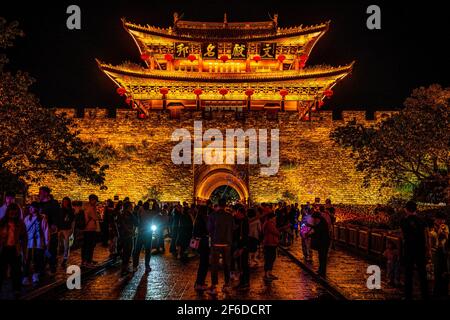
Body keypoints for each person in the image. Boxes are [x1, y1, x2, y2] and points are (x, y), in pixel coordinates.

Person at [400, 201, 430, 300]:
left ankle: (408, 295)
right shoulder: (422, 220)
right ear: (416, 209)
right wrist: (428, 249)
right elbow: (427, 235)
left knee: (408, 273)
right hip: (420, 249)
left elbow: (403, 235)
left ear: (406, 209)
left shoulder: (404, 220)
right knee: (422, 272)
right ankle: (425, 294)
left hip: (409, 249)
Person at [207, 198, 234, 296]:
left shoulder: (212, 215)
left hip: (216, 243)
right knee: (227, 264)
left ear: (218, 205)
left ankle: (214, 286)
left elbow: (209, 229)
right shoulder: (230, 216)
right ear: (225, 205)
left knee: (214, 265)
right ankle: (226, 284)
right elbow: (232, 228)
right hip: (227, 244)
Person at [0, 204, 27, 296]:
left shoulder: (20, 224)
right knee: (2, 270)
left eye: (15, 213)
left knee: (16, 270)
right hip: (4, 249)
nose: (13, 214)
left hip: (15, 249)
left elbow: (24, 238)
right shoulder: (2, 222)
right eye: (11, 212)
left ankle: (16, 289)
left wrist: (24, 252)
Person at [23, 202, 49, 285]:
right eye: (30, 207)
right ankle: (26, 276)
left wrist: (46, 242)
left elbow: (46, 231)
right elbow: (24, 230)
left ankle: (35, 276)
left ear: (36, 209)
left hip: (38, 243)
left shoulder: (42, 219)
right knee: (27, 260)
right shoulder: (27, 218)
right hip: (29, 243)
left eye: (32, 207)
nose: (30, 209)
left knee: (38, 260)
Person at [38, 186, 60, 274]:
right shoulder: (39, 204)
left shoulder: (54, 203)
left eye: (41, 192)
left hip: (51, 229)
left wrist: (54, 224)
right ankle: (42, 266)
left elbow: (58, 215)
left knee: (52, 248)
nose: (39, 194)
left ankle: (52, 265)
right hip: (41, 230)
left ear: (46, 193)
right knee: (41, 248)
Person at [132, 201, 154, 272]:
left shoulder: (141, 211)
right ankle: (147, 266)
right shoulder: (150, 212)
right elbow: (157, 210)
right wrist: (154, 201)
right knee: (147, 251)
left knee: (137, 250)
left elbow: (137, 218)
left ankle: (135, 266)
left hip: (141, 233)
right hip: (148, 233)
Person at [431, 212, 449, 297]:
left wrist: (445, 234)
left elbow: (447, 238)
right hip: (437, 252)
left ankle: (444, 291)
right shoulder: (432, 230)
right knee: (437, 272)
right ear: (435, 220)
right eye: (438, 219)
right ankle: (437, 291)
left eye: (442, 220)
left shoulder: (446, 228)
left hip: (445, 252)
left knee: (445, 272)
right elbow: (433, 242)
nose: (441, 221)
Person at [193, 205, 210, 291]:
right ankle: (199, 283)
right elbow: (207, 230)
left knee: (203, 263)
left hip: (200, 243)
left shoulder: (197, 219)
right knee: (204, 264)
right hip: (203, 243)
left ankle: (200, 282)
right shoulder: (203, 219)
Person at [308, 212, 331, 277]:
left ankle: (322, 272)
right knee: (320, 257)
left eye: (314, 219)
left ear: (317, 218)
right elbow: (316, 228)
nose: (313, 220)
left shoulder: (322, 224)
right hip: (322, 242)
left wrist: (310, 234)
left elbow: (318, 232)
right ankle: (321, 270)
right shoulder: (320, 222)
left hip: (324, 243)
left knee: (323, 257)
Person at [118, 201, 137, 276]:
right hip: (128, 235)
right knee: (128, 252)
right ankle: (124, 268)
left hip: (123, 235)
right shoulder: (130, 214)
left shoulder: (121, 214)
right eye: (131, 206)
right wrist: (130, 230)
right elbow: (136, 222)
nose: (132, 207)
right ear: (128, 207)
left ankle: (124, 268)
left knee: (125, 252)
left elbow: (119, 224)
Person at [81, 194, 100, 267]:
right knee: (90, 246)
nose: (96, 202)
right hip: (90, 229)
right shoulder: (90, 208)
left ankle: (85, 260)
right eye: (95, 200)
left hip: (87, 229)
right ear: (92, 200)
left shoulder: (85, 206)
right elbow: (95, 217)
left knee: (86, 246)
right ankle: (88, 261)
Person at [234, 206, 250, 290]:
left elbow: (245, 236)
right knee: (241, 265)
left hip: (243, 247)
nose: (236, 214)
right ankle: (242, 282)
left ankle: (245, 283)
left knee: (243, 265)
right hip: (240, 246)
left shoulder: (244, 222)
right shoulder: (241, 221)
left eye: (237, 212)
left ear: (241, 213)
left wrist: (242, 248)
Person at [58, 197, 75, 268]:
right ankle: (56, 258)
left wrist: (72, 229)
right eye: (64, 201)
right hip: (60, 228)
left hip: (67, 229)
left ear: (69, 202)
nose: (65, 203)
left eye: (66, 201)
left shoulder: (71, 210)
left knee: (66, 245)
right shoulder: (60, 210)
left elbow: (73, 220)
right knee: (58, 244)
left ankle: (65, 258)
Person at [263, 212, 279, 281]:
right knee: (269, 258)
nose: (275, 218)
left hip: (271, 242)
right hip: (270, 243)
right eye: (274, 217)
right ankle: (267, 274)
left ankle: (269, 273)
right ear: (272, 217)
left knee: (272, 258)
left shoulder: (269, 223)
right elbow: (275, 232)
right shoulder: (269, 223)